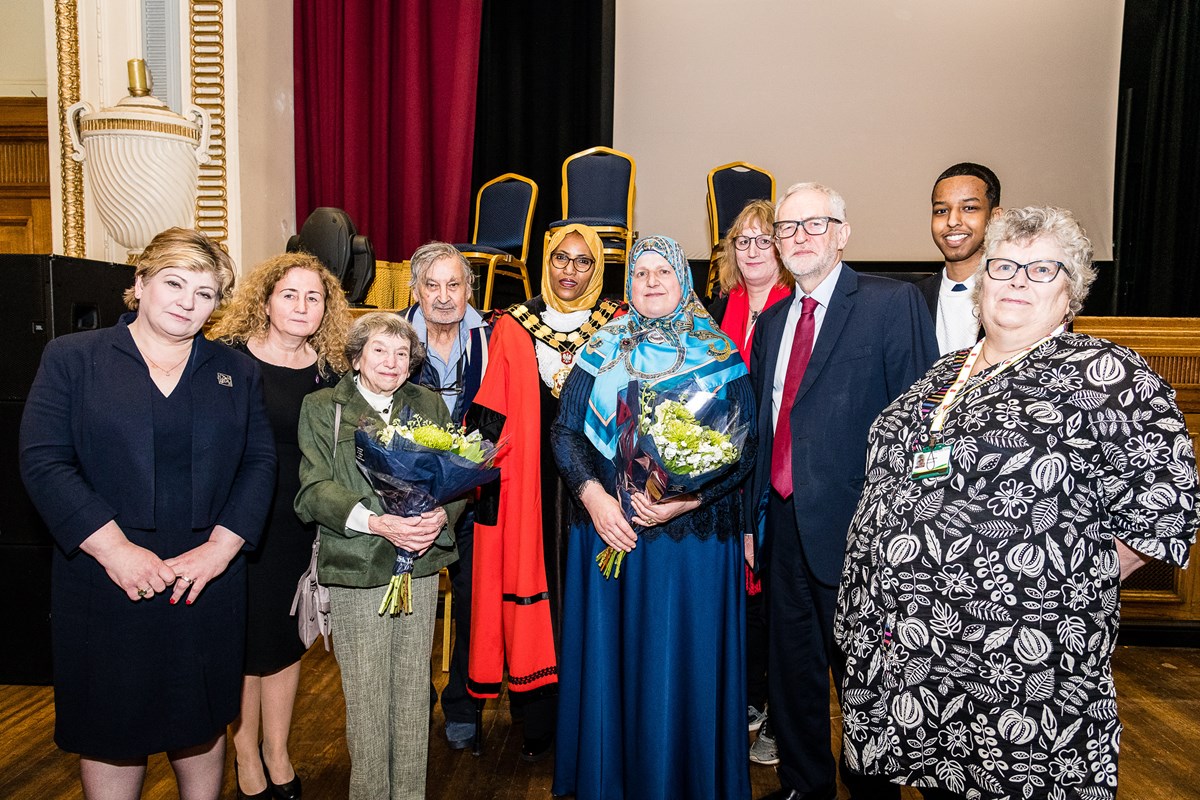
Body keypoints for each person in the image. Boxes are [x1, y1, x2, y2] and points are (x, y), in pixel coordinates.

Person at [835, 206, 1200, 800]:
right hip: (912, 661)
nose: (1017, 282)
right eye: (1004, 267)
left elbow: (1164, 506)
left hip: (1019, 670)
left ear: (1072, 291)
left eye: (1041, 270)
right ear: (981, 282)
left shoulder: (1105, 375)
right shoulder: (947, 373)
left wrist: (1061, 589)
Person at [18, 227, 277, 800]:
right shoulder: (72, 358)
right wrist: (115, 551)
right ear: (139, 284)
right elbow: (44, 461)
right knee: (111, 729)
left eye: (205, 292)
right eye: (174, 283)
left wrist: (219, 551)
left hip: (204, 581)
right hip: (104, 581)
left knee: (200, 721)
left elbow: (259, 464)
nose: (188, 302)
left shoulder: (237, 372)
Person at [743, 183, 938, 800]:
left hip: (863, 533)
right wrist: (752, 521)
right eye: (787, 228)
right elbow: (767, 427)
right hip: (780, 524)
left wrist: (908, 532)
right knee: (792, 669)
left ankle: (874, 792)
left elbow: (923, 419)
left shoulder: (890, 303)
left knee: (866, 679)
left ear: (843, 233)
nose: (798, 237)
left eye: (813, 225)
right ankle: (804, 783)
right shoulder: (773, 320)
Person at [552, 235, 757, 800]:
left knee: (681, 665)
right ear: (627, 283)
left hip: (690, 541)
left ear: (683, 280)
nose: (649, 281)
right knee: (616, 667)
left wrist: (687, 500)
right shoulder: (601, 347)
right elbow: (566, 432)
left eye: (662, 271)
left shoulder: (720, 350)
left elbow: (743, 450)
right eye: (639, 272)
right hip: (610, 530)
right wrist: (593, 496)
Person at [466, 223, 625, 762]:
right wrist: (473, 475)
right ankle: (540, 721)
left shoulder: (618, 323)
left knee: (588, 591)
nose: (570, 271)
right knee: (539, 587)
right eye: (561, 258)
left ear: (597, 268)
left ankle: (596, 713)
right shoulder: (513, 325)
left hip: (594, 485)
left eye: (583, 262)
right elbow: (493, 406)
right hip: (529, 486)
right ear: (546, 262)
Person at [294, 312, 463, 800]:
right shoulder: (325, 407)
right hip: (357, 564)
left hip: (421, 564)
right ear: (356, 358)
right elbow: (314, 489)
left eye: (402, 354)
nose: (392, 362)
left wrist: (439, 517)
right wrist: (379, 521)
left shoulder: (428, 402)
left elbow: (455, 474)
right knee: (367, 699)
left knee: (413, 695)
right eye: (380, 351)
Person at [209, 252, 350, 800]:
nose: (301, 306)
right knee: (246, 643)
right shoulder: (229, 361)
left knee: (288, 640)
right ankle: (246, 757)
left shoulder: (331, 369)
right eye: (289, 294)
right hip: (240, 520)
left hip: (300, 521)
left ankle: (278, 751)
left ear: (326, 308)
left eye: (313, 297)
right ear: (265, 300)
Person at [706, 199, 794, 755]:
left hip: (777, 470)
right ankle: (743, 699)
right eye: (744, 241)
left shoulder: (796, 306)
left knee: (773, 597)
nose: (754, 250)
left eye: (765, 240)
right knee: (734, 592)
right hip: (723, 470)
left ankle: (776, 715)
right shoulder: (723, 307)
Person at [397, 241, 491, 748]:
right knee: (407, 607)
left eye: (454, 285)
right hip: (405, 502)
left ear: (469, 289)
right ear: (415, 290)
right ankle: (410, 704)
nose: (443, 296)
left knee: (474, 607)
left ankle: (463, 706)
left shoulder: (493, 338)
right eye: (431, 285)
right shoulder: (389, 335)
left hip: (474, 501)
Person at [917, 162, 1003, 355]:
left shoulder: (1014, 295)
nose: (952, 221)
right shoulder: (912, 298)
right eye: (941, 211)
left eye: (969, 208)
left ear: (996, 217)